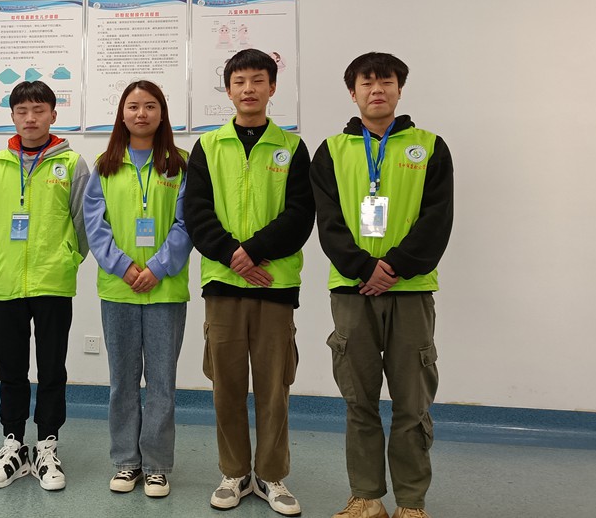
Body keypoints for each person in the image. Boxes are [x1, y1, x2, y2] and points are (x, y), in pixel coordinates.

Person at [310, 53, 453, 518]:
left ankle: (411, 502)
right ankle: (366, 497)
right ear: (352, 92)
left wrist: (392, 267)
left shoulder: (429, 147)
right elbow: (328, 221)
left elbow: (437, 219)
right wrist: (362, 268)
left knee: (413, 403)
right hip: (352, 292)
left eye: (386, 81)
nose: (377, 90)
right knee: (359, 401)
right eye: (366, 83)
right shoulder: (332, 151)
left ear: (399, 89)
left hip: (410, 290)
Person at [185, 48, 315, 514]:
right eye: (239, 81)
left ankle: (272, 476)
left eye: (258, 80)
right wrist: (232, 256)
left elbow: (301, 214)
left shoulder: (292, 147)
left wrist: (253, 251)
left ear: (272, 87)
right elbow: (196, 211)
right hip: (223, 285)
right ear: (228, 89)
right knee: (226, 386)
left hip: (274, 284)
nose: (248, 89)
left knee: (274, 388)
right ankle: (234, 472)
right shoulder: (208, 146)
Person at [84, 81, 193, 498]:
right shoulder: (106, 165)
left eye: (150, 106)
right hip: (119, 290)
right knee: (122, 382)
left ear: (162, 113)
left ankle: (157, 466)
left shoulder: (180, 164)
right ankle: (126, 462)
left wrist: (158, 267)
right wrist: (125, 267)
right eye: (133, 106)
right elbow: (95, 225)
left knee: (162, 383)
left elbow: (186, 223)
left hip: (165, 290)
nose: (141, 113)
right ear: (122, 114)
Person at [0, 80, 89, 492]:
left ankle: (46, 444)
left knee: (52, 368)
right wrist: (5, 256)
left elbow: (82, 224)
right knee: (10, 369)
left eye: (39, 110)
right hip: (6, 280)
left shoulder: (73, 163)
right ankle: (13, 444)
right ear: (12, 116)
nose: (30, 118)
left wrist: (66, 257)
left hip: (52, 281)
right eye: (22, 111)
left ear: (53, 115)